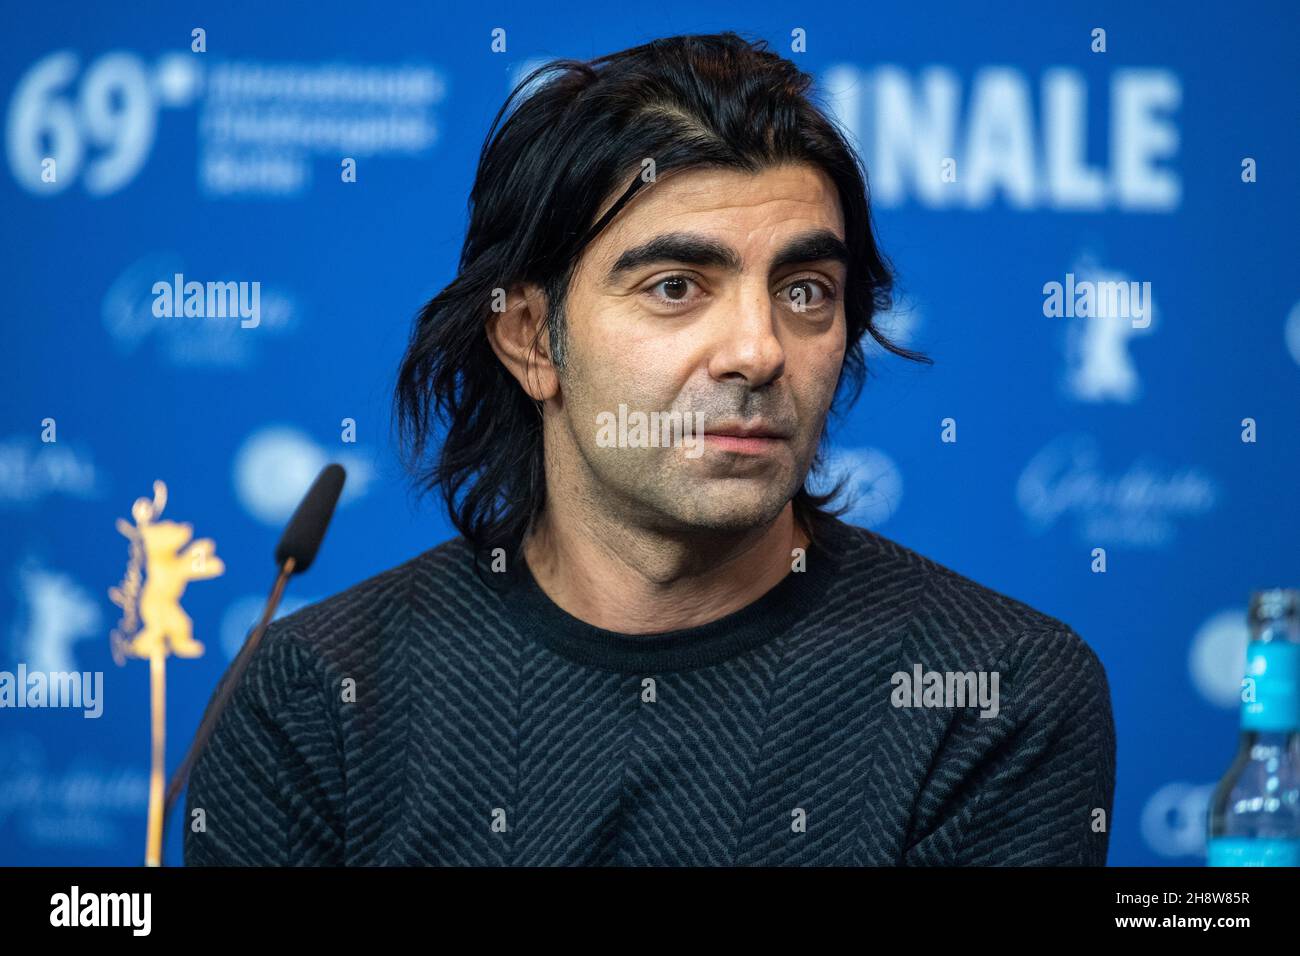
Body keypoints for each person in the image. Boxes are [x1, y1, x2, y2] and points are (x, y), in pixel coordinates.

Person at [184, 31, 1115, 866]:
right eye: (676, 286)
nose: (758, 349)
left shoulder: (994, 690)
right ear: (528, 340)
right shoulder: (319, 698)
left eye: (804, 290)